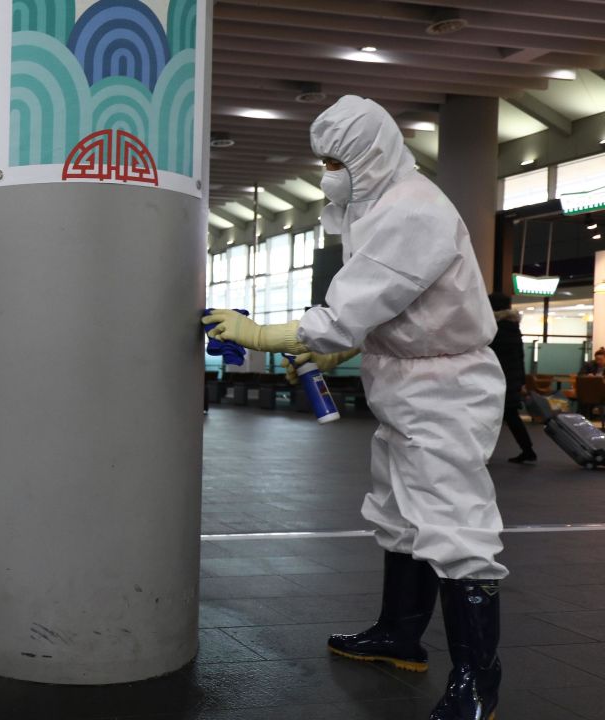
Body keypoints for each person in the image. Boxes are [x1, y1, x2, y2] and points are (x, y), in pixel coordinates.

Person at [204, 95, 505, 720]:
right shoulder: (375, 203)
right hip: (404, 376)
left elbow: (349, 311)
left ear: (370, 153)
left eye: (335, 159)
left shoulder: (411, 210)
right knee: (400, 511)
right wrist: (344, 351)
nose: (328, 171)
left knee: (454, 527)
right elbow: (391, 306)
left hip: (444, 387)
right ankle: (400, 634)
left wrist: (261, 334)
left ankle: (479, 683)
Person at [489, 293, 536, 463]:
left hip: (497, 378)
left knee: (488, 416)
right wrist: (521, 381)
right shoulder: (513, 328)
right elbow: (520, 357)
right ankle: (528, 450)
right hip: (512, 378)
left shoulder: (493, 329)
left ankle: (481, 453)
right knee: (511, 415)